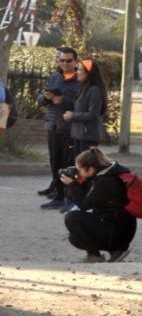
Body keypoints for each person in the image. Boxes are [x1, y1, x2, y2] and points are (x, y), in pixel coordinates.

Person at [60, 147, 136, 263]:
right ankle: (116, 252)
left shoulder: (106, 181)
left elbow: (84, 204)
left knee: (72, 218)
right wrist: (78, 183)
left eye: (79, 169)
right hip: (119, 229)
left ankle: (95, 256)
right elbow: (88, 198)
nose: (78, 172)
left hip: (118, 232)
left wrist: (72, 185)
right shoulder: (106, 174)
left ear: (90, 169)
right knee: (74, 238)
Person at [37, 46, 79, 209]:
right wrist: (46, 98)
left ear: (75, 61)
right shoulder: (55, 77)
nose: (65, 64)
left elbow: (82, 104)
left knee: (68, 163)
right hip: (53, 124)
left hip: (69, 127)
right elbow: (40, 99)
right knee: (55, 162)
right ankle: (58, 194)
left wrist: (63, 101)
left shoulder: (80, 79)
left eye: (69, 60)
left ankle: (69, 197)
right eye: (62, 60)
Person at [63, 58, 108, 156]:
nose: (77, 72)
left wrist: (73, 115)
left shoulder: (94, 90)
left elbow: (93, 114)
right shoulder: (83, 88)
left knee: (85, 168)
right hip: (78, 135)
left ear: (89, 73)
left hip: (87, 137)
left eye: (80, 70)